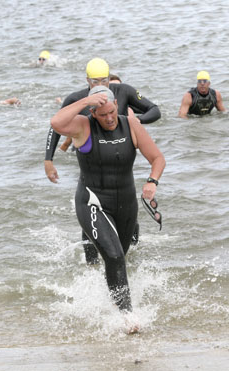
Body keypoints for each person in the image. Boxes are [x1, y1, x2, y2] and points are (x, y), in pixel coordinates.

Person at [50, 86, 165, 315]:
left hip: (125, 204)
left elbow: (157, 158)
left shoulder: (129, 124)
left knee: (118, 258)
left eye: (111, 112)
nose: (109, 118)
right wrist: (85, 101)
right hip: (92, 202)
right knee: (113, 257)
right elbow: (56, 123)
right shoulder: (83, 126)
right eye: (102, 115)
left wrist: (152, 181)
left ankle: (111, 303)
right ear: (93, 113)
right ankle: (126, 316)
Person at [45, 58, 161, 263]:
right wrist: (49, 159)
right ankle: (92, 263)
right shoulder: (78, 98)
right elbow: (56, 125)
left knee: (125, 238)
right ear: (88, 80)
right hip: (90, 155)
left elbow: (155, 110)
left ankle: (124, 261)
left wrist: (135, 123)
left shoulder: (124, 91)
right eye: (95, 81)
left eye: (104, 80)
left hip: (122, 156)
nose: (100, 85)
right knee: (93, 215)